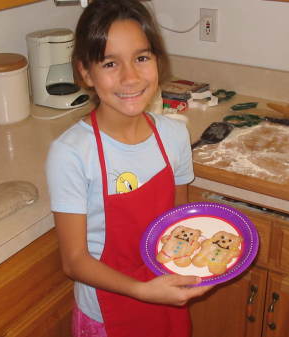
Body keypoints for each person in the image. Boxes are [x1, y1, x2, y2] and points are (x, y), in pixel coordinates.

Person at [46, 1, 212, 336]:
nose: (130, 77)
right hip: (107, 314)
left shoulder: (173, 134)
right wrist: (141, 290)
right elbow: (74, 261)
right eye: (110, 63)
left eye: (141, 57)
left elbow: (175, 221)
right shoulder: (72, 154)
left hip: (166, 295)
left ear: (157, 61)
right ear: (85, 72)